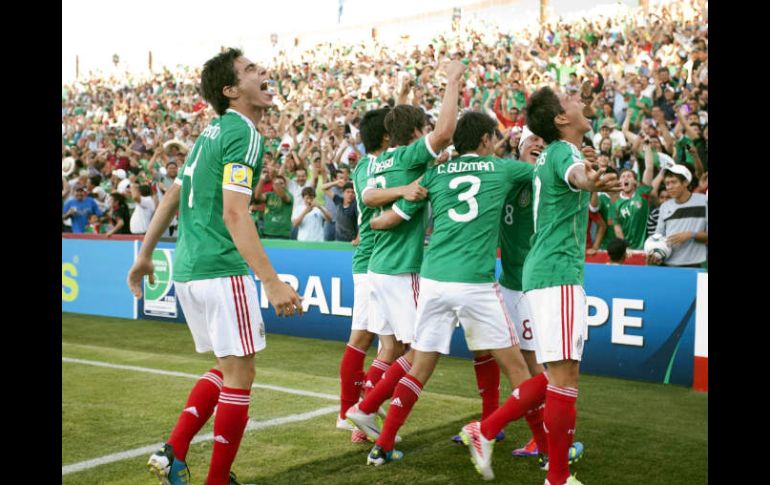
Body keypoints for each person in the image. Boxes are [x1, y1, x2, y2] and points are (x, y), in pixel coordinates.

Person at [126, 48, 302, 485]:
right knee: (241, 376)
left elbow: (171, 196)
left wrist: (145, 254)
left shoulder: (211, 133)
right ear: (231, 90)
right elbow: (235, 214)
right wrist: (272, 281)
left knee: (229, 368)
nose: (261, 71)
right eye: (249, 70)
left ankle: (174, 452)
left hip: (188, 271)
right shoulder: (243, 132)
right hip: (221, 270)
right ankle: (218, 480)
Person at [360, 111, 567, 475]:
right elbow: (543, 173)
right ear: (486, 140)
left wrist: (373, 223)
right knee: (519, 371)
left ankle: (382, 445)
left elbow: (390, 213)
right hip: (474, 282)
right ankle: (547, 452)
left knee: (418, 367)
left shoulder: (436, 172)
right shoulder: (502, 169)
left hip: (434, 280)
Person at [459, 86, 619, 485]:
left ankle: (488, 429)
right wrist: (590, 179)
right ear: (562, 120)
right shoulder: (564, 151)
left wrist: (590, 177)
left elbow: (577, 176)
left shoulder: (555, 152)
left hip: (545, 274)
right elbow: (576, 176)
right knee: (563, 378)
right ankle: (557, 478)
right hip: (556, 273)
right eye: (571, 101)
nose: (579, 102)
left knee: (555, 376)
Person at [345, 60, 465, 465]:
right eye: (424, 128)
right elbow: (444, 132)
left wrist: (402, 94)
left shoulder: (372, 162)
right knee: (420, 350)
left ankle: (372, 420)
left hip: (376, 265)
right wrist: (451, 81)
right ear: (417, 134)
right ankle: (367, 408)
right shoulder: (413, 157)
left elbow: (371, 201)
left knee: (394, 347)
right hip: (400, 268)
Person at [650, 164, 708, 268]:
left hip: (697, 265)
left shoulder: (704, 201)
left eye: (674, 182)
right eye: (667, 183)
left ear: (685, 182)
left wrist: (691, 234)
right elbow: (659, 237)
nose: (669, 187)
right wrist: (656, 254)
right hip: (669, 265)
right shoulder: (664, 206)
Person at [254, 173, 293, 239]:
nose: (279, 185)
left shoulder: (289, 195)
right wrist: (262, 179)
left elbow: (283, 196)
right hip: (268, 232)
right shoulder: (269, 195)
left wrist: (274, 178)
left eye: (282, 183)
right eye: (277, 183)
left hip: (282, 234)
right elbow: (257, 196)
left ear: (285, 185)